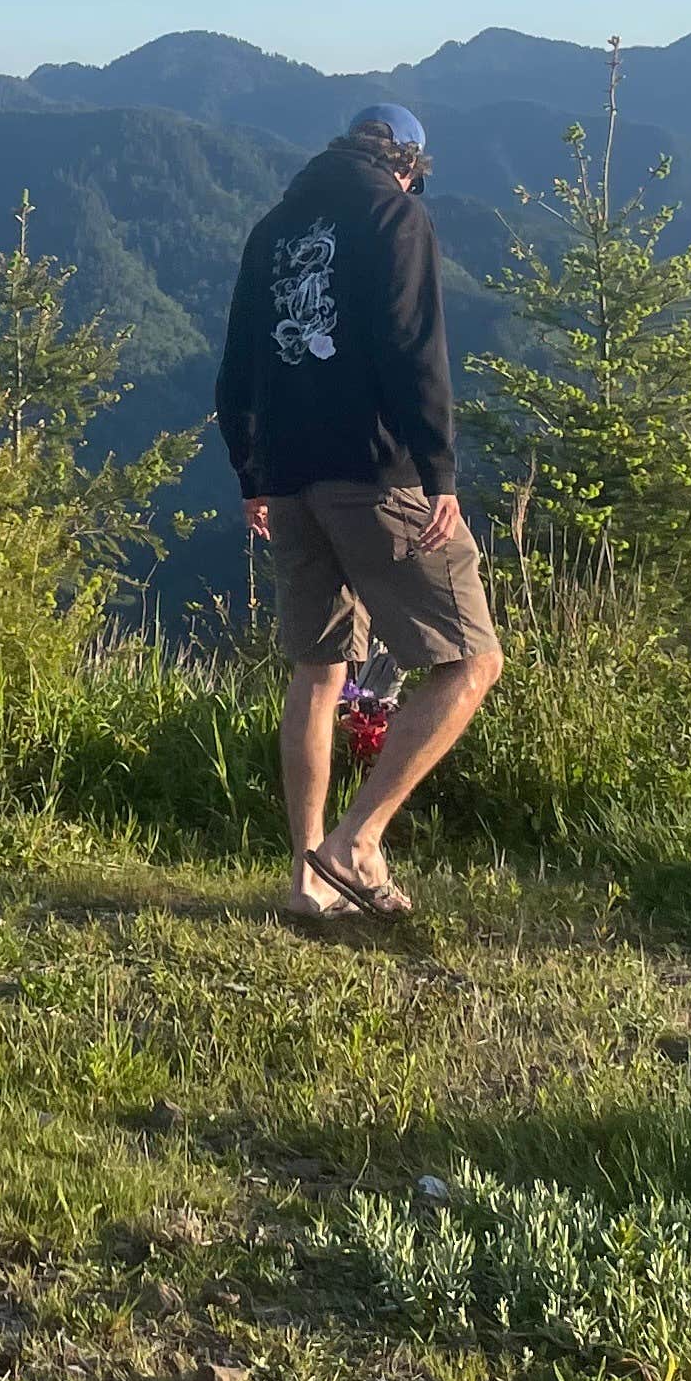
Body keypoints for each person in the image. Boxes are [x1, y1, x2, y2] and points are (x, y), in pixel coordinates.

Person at [213, 100, 503, 919]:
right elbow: (416, 349)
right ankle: (358, 842)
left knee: (319, 670)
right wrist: (440, 473)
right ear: (408, 164)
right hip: (377, 475)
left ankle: (307, 880)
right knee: (471, 660)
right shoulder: (395, 215)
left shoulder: (274, 230)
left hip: (289, 479)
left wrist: (250, 468)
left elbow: (237, 364)